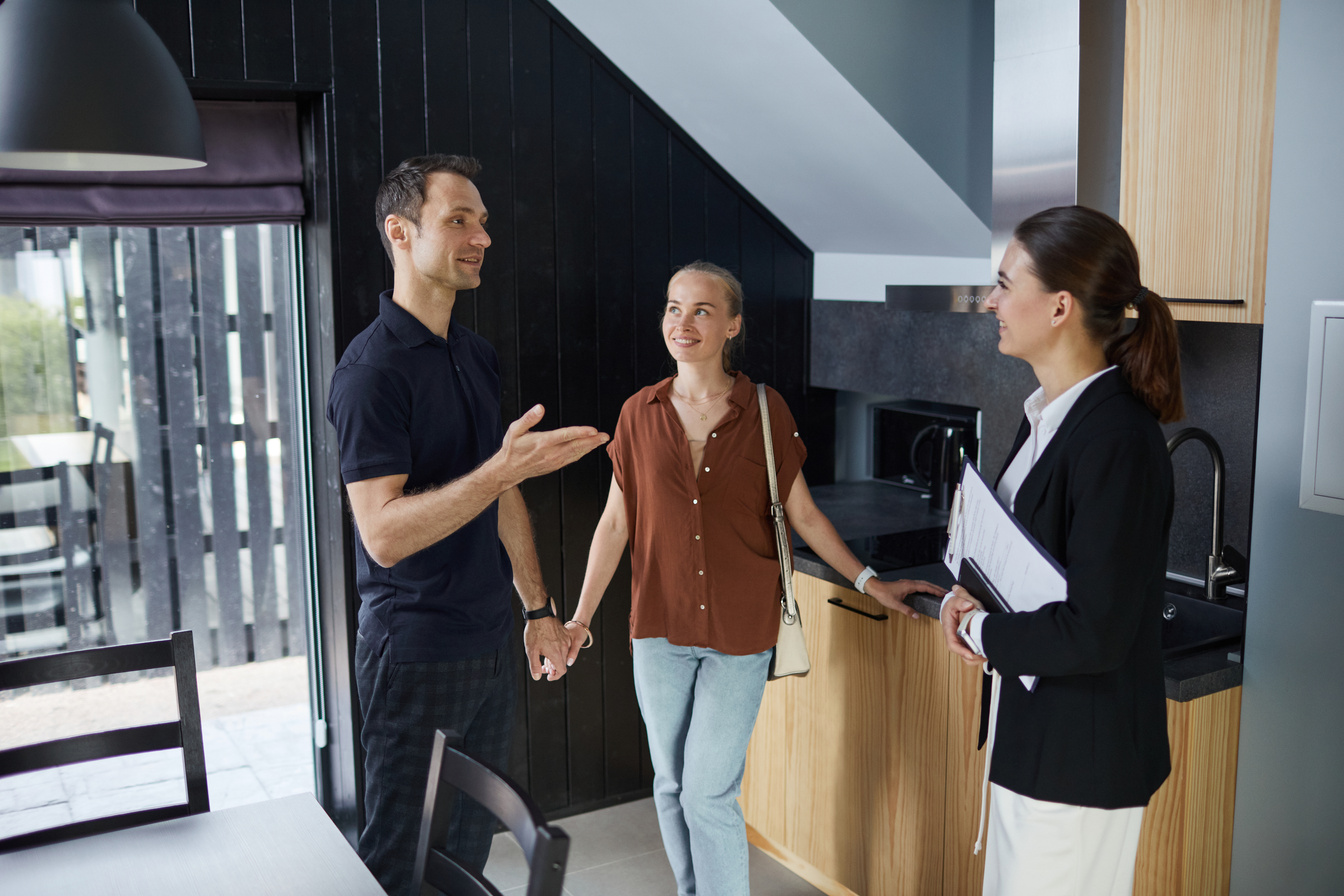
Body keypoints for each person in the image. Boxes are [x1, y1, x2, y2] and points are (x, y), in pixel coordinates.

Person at [563, 261, 942, 896]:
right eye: (674, 307)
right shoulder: (638, 413)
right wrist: (579, 619)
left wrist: (871, 582)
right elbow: (614, 524)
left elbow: (805, 516)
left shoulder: (764, 409)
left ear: (732, 325)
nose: (683, 322)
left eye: (702, 310)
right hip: (657, 629)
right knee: (672, 784)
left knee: (707, 792)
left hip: (741, 631)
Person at [325, 154, 607, 895]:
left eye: (482, 222)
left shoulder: (473, 355)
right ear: (400, 232)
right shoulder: (370, 374)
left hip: (489, 644)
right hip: (416, 652)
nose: (482, 237)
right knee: (400, 863)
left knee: (466, 856)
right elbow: (384, 536)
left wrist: (538, 611)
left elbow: (498, 492)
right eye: (458, 220)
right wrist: (499, 471)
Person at [939, 205, 1183, 896]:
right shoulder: (1047, 415)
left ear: (1059, 306)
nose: (991, 301)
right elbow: (1030, 561)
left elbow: (1095, 632)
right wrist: (968, 596)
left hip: (1083, 759)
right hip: (1033, 737)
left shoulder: (1117, 440)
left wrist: (980, 631)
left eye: (1004, 284)